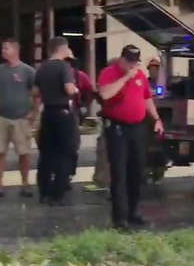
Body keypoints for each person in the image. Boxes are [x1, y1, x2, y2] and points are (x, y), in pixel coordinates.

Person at [98, 45, 164, 230]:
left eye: (134, 62)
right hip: (117, 127)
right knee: (119, 172)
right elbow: (105, 93)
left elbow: (146, 98)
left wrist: (156, 118)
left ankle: (132, 211)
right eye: (128, 61)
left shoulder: (140, 76)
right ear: (121, 59)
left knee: (137, 171)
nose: (131, 65)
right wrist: (126, 77)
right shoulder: (109, 73)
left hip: (137, 127)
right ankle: (120, 218)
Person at [32, 37, 79, 205]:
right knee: (64, 154)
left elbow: (36, 92)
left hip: (48, 112)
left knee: (46, 154)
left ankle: (43, 192)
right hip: (62, 112)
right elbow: (69, 89)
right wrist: (74, 88)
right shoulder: (64, 67)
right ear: (61, 48)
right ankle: (57, 194)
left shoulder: (42, 68)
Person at [0, 39, 36, 198]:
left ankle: (25, 183)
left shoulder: (27, 71)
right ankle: (0, 184)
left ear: (16, 50)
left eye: (6, 48)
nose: (3, 51)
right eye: (2, 48)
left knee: (23, 152)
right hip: (1, 116)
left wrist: (33, 113)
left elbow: (36, 93)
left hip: (21, 117)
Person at [83, 57, 117, 193]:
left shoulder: (116, 84)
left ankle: (102, 181)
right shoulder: (109, 83)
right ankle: (103, 180)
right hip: (108, 122)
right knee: (103, 149)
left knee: (105, 150)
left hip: (114, 123)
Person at [66, 55, 95, 191]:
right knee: (71, 145)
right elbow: (91, 92)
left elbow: (89, 91)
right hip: (66, 113)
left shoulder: (80, 76)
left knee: (71, 145)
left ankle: (67, 174)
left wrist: (84, 107)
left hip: (72, 114)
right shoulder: (80, 75)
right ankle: (67, 174)